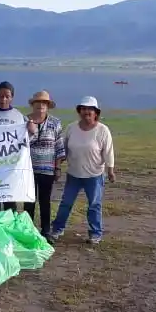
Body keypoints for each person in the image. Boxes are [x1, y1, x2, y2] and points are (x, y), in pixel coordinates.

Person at [48, 96, 116, 245]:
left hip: (94, 175)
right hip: (74, 174)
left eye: (90, 109)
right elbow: (63, 149)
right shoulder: (71, 128)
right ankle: (57, 229)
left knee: (94, 205)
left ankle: (95, 233)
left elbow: (108, 151)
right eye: (83, 109)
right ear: (79, 111)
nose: (86, 112)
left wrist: (110, 170)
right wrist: (57, 166)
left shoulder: (103, 130)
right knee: (66, 203)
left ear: (96, 112)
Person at [0, 81, 38, 213]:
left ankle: (10, 223)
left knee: (10, 198)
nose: (3, 99)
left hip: (10, 165)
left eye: (7, 96)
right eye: (1, 96)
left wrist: (31, 130)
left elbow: (24, 139)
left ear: (12, 97)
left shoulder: (17, 116)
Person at [24, 90, 65, 234]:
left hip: (47, 170)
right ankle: (27, 230)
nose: (41, 105)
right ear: (33, 105)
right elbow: (18, 144)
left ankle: (46, 231)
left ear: (48, 106)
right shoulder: (24, 121)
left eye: (44, 103)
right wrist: (29, 131)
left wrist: (57, 168)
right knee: (29, 201)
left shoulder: (55, 123)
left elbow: (59, 147)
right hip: (27, 170)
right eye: (38, 102)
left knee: (45, 201)